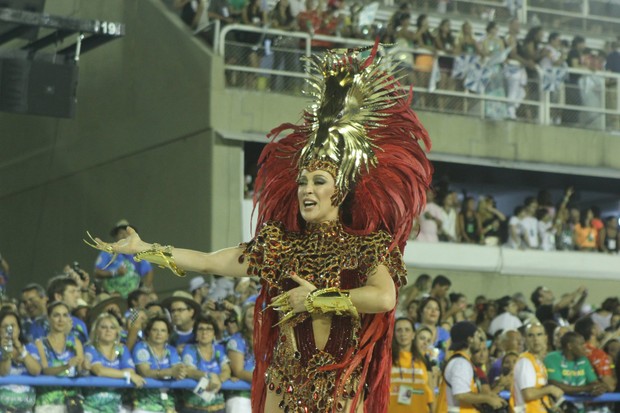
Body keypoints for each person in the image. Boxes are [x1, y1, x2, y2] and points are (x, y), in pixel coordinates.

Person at [85, 45, 433, 413]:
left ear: (340, 192)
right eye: (302, 182)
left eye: (318, 181)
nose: (307, 190)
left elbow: (383, 297)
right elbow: (209, 262)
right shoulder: (279, 245)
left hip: (340, 392)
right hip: (283, 388)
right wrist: (145, 248)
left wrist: (316, 299)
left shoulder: (367, 246)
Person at [436, 321, 506, 413]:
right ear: (470, 339)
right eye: (477, 336)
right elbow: (460, 394)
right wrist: (488, 399)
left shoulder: (463, 361)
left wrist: (491, 397)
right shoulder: (461, 363)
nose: (479, 340)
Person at [83, 313, 146, 413]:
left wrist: (127, 374)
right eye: (103, 327)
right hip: (91, 407)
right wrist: (125, 375)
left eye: (112, 327)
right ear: (96, 331)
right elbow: (99, 371)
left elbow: (130, 371)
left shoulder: (122, 349)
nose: (108, 330)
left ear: (117, 331)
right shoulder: (90, 348)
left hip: (116, 406)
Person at [34, 301, 85, 413]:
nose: (61, 320)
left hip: (72, 403)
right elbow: (45, 370)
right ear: (48, 318)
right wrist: (66, 366)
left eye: (65, 315)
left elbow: (81, 370)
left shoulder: (76, 342)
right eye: (56, 315)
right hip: (48, 403)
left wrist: (85, 367)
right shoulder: (40, 344)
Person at [132, 316, 187, 413]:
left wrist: (180, 372)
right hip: (145, 404)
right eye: (155, 330)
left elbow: (177, 370)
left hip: (168, 404)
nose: (159, 334)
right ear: (148, 332)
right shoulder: (141, 347)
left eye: (163, 331)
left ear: (168, 335)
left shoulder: (171, 350)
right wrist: (169, 372)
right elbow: (145, 372)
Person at [510, 322, 564, 413]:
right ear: (525, 339)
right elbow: (528, 394)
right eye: (531, 335)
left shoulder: (538, 363)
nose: (536, 339)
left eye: (539, 335)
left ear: (545, 338)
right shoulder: (525, 362)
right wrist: (550, 389)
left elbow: (538, 392)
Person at [181, 315, 231, 413]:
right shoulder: (189, 349)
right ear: (196, 334)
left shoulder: (219, 349)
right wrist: (209, 376)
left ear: (214, 334)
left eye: (209, 329)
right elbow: (190, 371)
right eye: (201, 329)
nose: (204, 332)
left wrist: (218, 379)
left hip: (218, 407)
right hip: (193, 408)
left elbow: (226, 370)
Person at [94, 219, 154, 297]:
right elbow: (97, 273)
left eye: (127, 233)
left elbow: (149, 270)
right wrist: (115, 273)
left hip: (132, 299)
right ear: (116, 236)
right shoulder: (108, 252)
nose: (125, 236)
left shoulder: (137, 252)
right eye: (121, 233)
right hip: (112, 295)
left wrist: (145, 288)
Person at [389, 319, 437, 413]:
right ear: (394, 334)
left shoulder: (423, 360)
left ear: (413, 334)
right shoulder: (386, 360)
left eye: (407, 330)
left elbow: (431, 393)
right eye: (399, 330)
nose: (403, 333)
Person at [0, 310, 42, 412]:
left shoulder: (30, 348)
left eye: (12, 326)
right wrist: (6, 351)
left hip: (26, 406)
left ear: (19, 329)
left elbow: (36, 370)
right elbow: (4, 372)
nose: (9, 329)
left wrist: (20, 348)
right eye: (4, 326)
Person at [545, 331, 607, 398]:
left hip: (581, 405)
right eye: (581, 344)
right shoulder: (552, 358)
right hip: (558, 405)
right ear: (570, 346)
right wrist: (586, 388)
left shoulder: (584, 360)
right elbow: (555, 385)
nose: (585, 347)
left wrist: (598, 388)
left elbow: (594, 383)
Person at [226, 302, 255, 413]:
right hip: (241, 396)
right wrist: (264, 381)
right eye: (249, 316)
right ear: (243, 319)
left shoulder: (268, 340)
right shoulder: (236, 340)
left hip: (265, 394)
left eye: (257, 315)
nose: (254, 319)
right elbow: (238, 371)